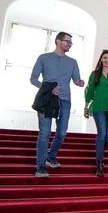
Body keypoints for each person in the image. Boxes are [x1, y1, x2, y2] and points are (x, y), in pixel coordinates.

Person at [30, 32, 85, 177]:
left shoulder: (73, 62)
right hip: (47, 100)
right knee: (45, 133)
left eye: (71, 43)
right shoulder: (43, 58)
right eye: (67, 42)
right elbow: (33, 79)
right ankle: (40, 166)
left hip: (65, 100)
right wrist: (48, 88)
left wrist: (79, 82)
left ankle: (51, 156)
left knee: (61, 133)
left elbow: (76, 79)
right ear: (58, 41)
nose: (69, 44)